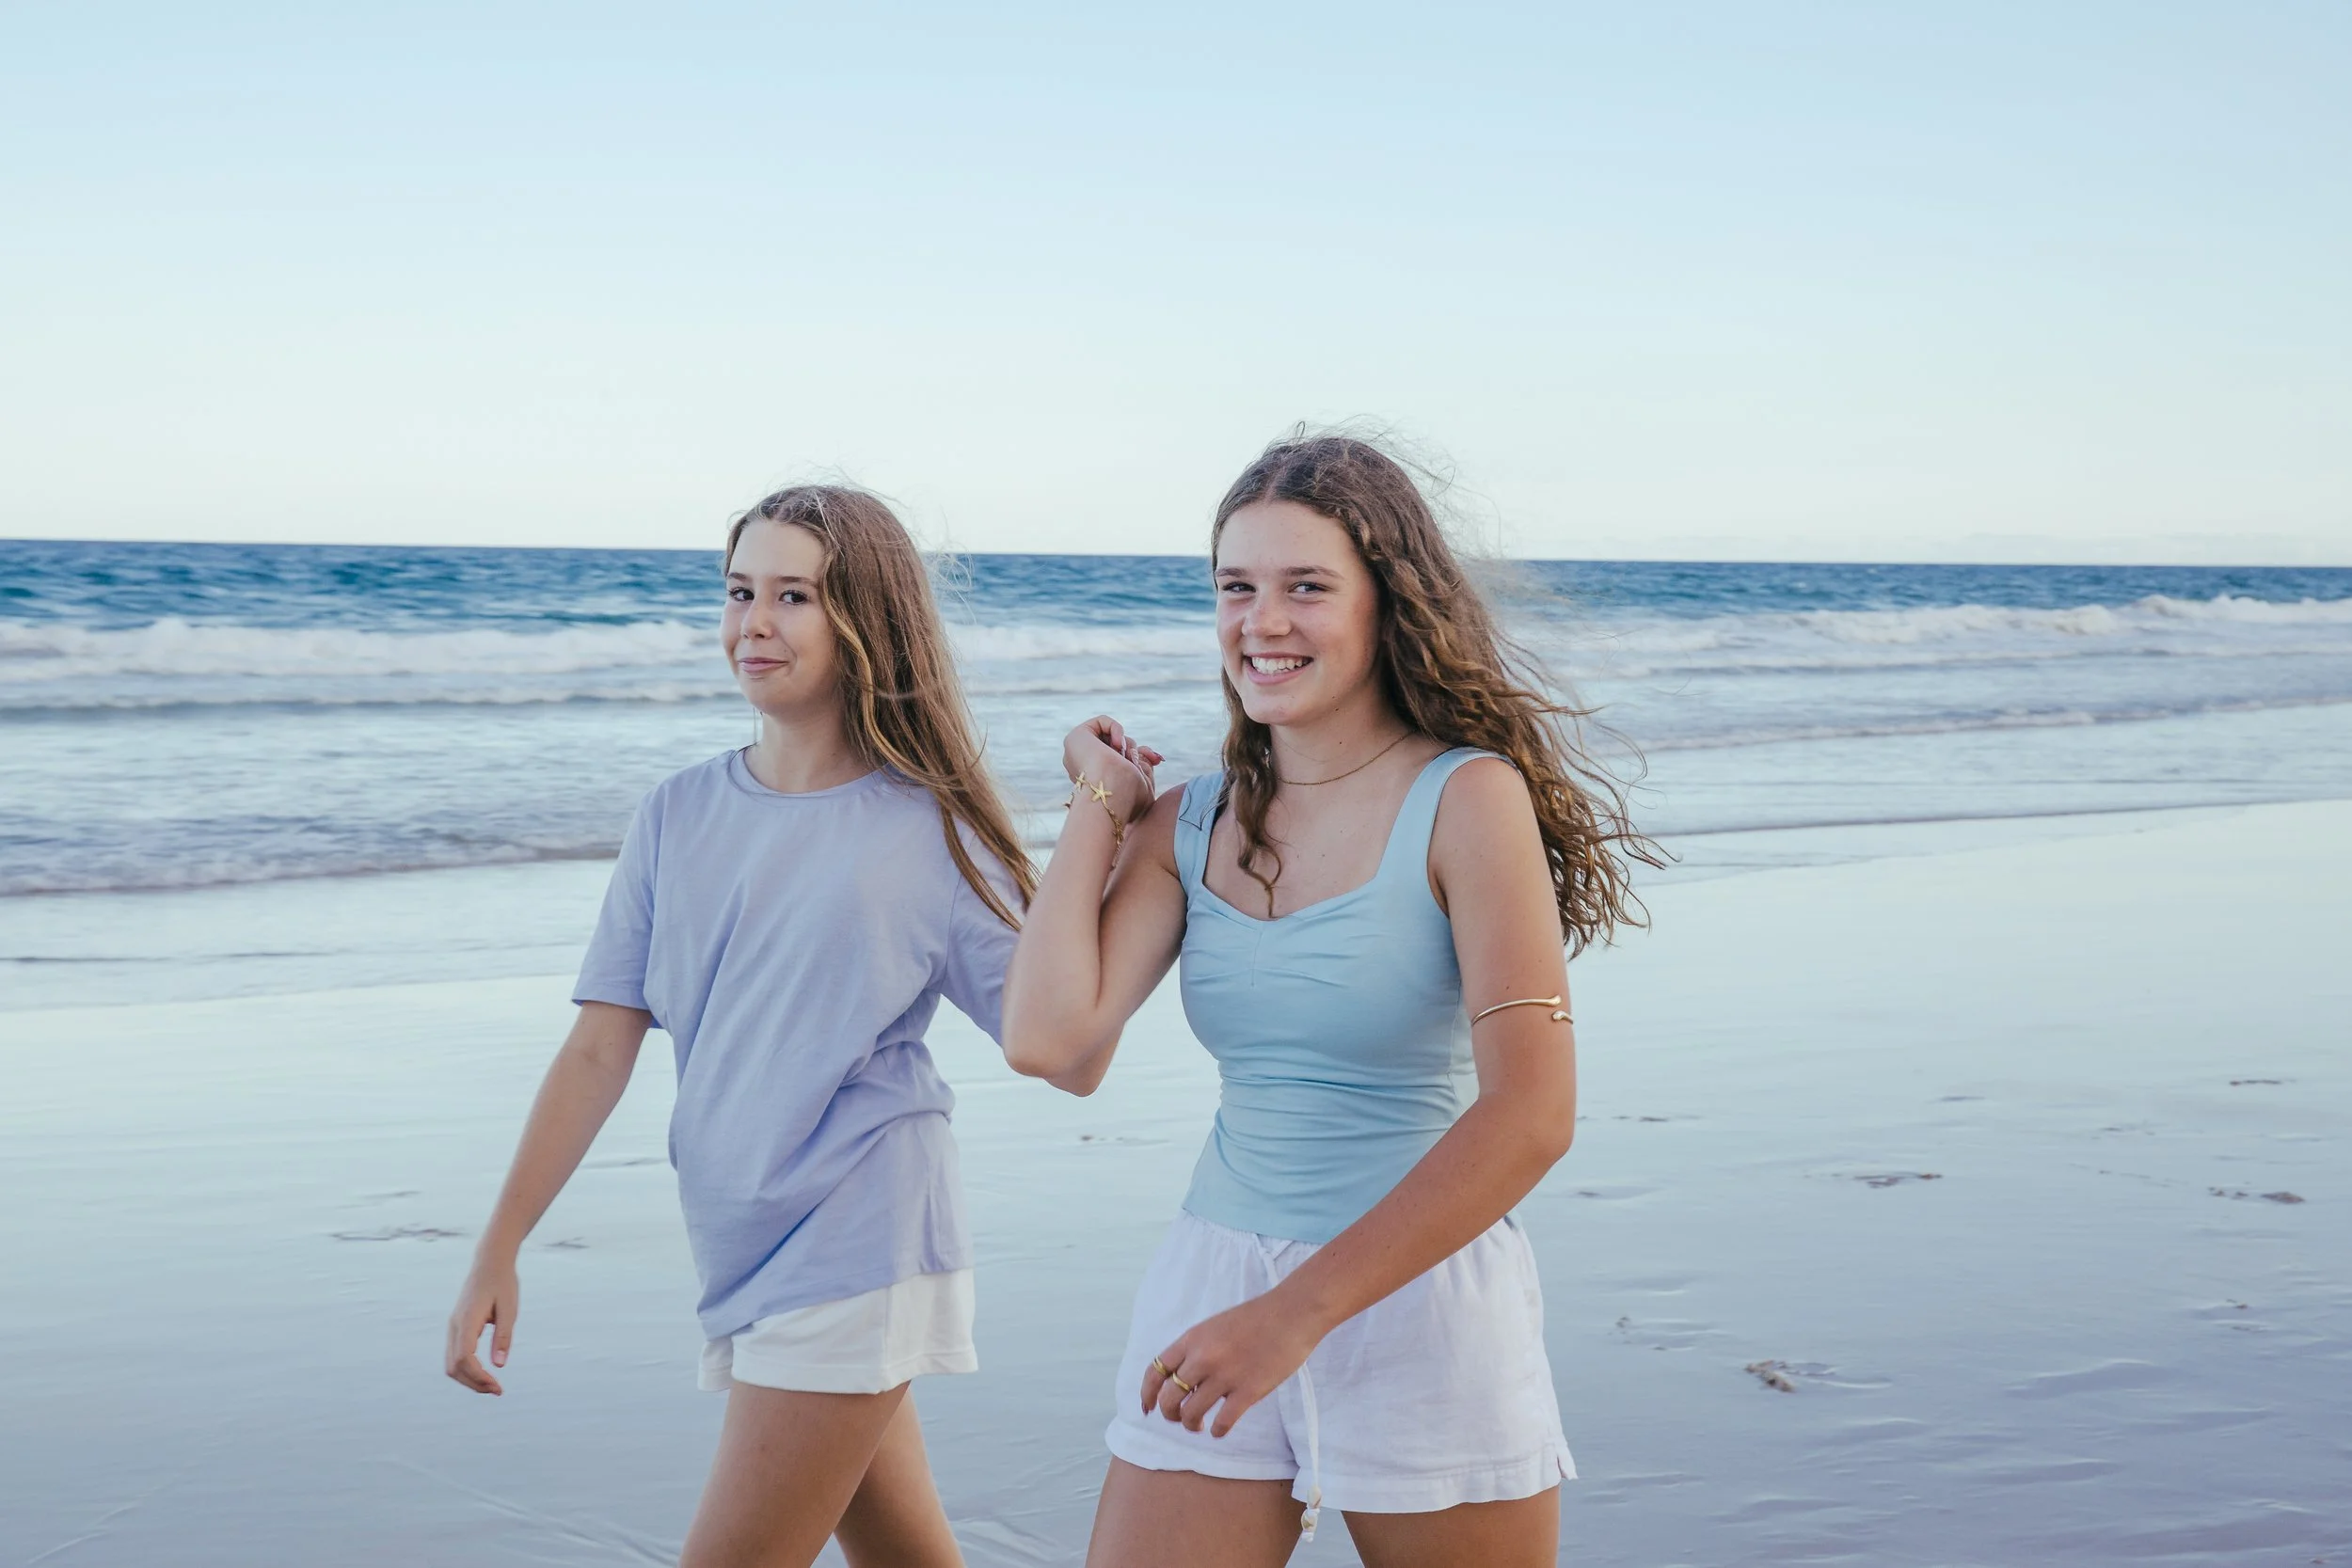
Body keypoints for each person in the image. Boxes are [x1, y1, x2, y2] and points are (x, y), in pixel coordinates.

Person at [1002, 435, 1650, 1567]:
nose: (1263, 620)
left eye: (1306, 586)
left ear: (1386, 605)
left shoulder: (1467, 800)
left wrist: (1297, 1311)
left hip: (1419, 1295)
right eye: (1236, 587)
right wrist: (1101, 802)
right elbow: (1051, 1040)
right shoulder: (1189, 821)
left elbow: (1533, 1114)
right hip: (1215, 1285)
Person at [444, 484, 1052, 1568]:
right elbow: (598, 1047)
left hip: (860, 1232)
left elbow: (1060, 1035)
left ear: (866, 620)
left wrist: (1110, 828)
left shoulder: (932, 828)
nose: (754, 622)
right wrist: (501, 1241)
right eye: (739, 591)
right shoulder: (676, 811)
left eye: (794, 595)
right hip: (739, 1241)